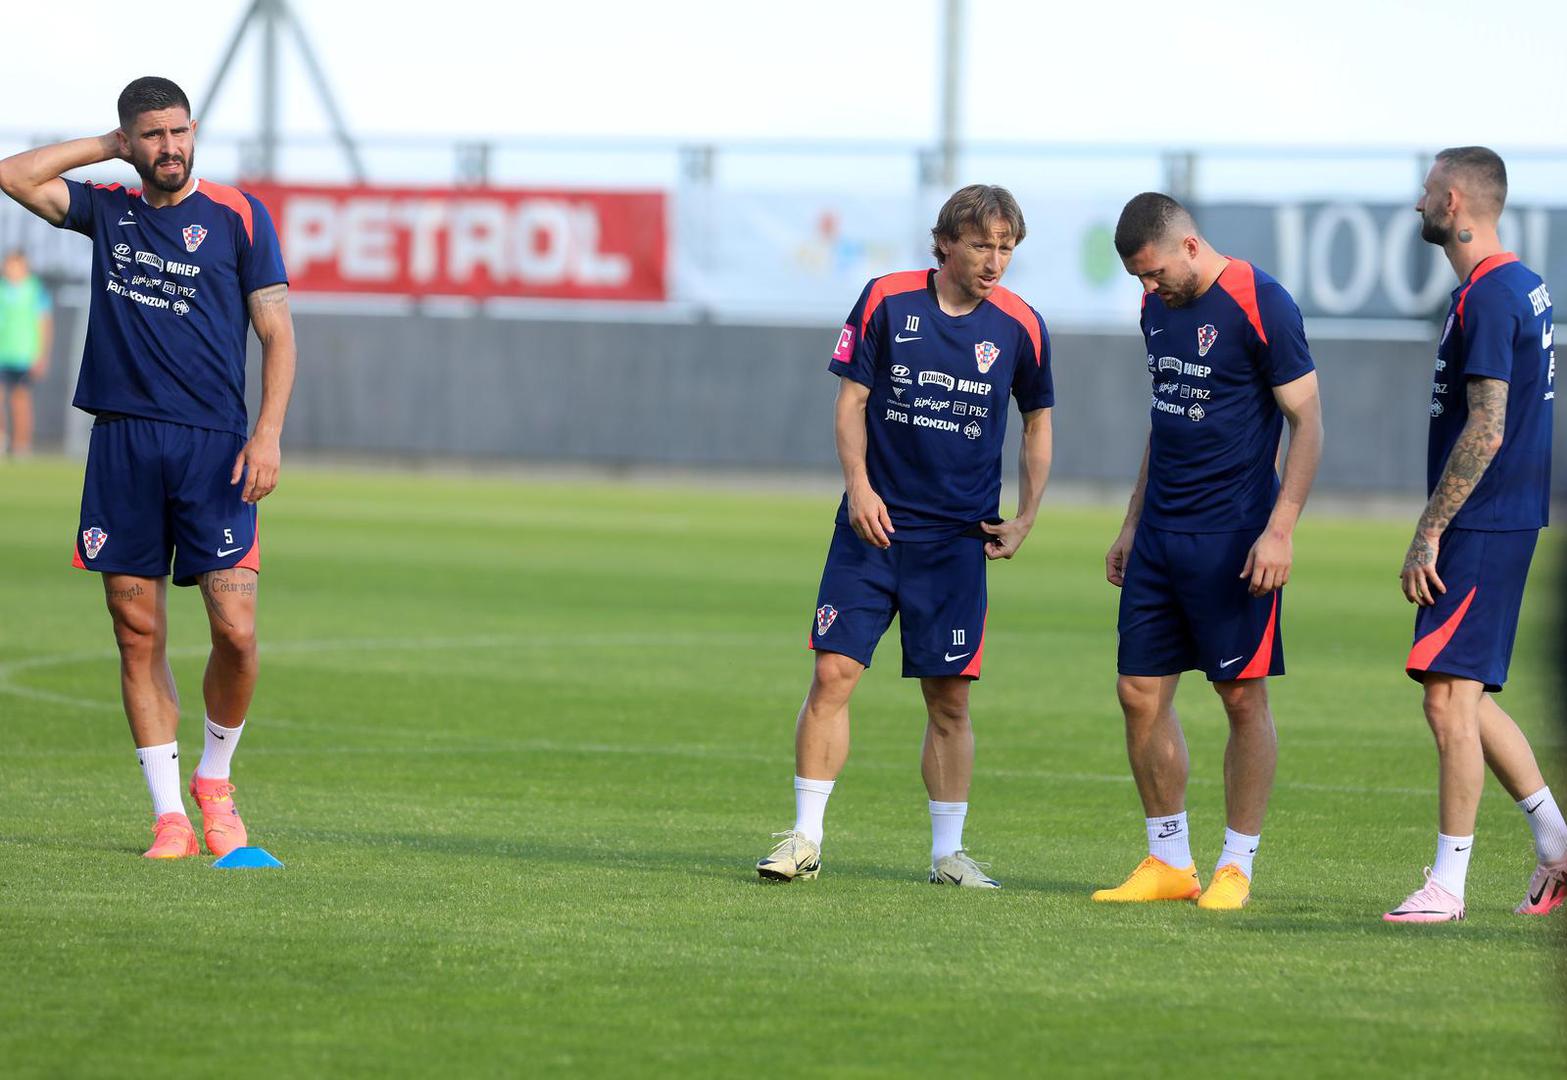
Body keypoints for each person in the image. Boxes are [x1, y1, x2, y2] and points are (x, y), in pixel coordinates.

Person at [0, 76, 296, 859]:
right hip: (123, 447)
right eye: (152, 135)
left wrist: (267, 434)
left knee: (236, 631)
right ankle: (170, 818)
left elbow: (277, 333)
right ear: (132, 140)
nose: (170, 147)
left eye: (179, 131)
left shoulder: (238, 215)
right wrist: (106, 146)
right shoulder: (108, 209)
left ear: (194, 131)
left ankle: (215, 781)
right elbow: (14, 176)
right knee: (137, 634)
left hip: (214, 451)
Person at [754, 184, 1055, 887]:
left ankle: (948, 854)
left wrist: (1026, 516)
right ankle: (804, 838)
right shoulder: (887, 300)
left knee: (949, 699)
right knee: (832, 674)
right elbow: (851, 401)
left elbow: (1037, 422)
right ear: (944, 243)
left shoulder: (1022, 326)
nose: (994, 261)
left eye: (1006, 248)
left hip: (955, 545)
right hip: (874, 530)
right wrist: (859, 487)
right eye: (980, 245)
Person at [1096, 192, 1323, 911]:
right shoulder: (1154, 307)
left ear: (1189, 246)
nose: (1148, 286)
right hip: (1160, 536)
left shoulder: (1263, 302)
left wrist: (1280, 529)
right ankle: (1169, 861)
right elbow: (1163, 416)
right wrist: (1132, 522)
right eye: (1138, 277)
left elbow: (1308, 423)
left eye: (1154, 271)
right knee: (1137, 693)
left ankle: (1235, 866)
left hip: (1235, 539)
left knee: (1240, 696)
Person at [1384, 147, 1565, 923]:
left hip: (1482, 520)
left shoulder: (1490, 295)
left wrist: (1428, 530)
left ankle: (1446, 887)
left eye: (1427, 191)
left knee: (1446, 699)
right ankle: (1556, 844)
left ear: (1452, 201)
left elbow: (1486, 427)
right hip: (1501, 516)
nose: (1418, 204)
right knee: (1460, 693)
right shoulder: (1519, 284)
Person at [0, 248, 53, 456]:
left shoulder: (35, 290)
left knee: (20, 401)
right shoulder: (2, 288)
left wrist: (41, 356)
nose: (11, 270)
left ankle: (21, 445)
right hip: (3, 353)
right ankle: (2, 439)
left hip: (24, 355)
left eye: (16, 265)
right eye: (8, 265)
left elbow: (44, 324)